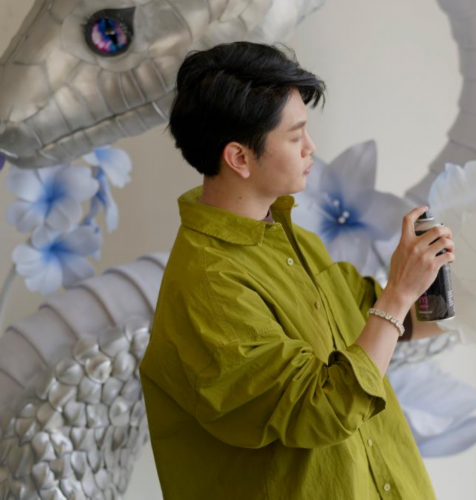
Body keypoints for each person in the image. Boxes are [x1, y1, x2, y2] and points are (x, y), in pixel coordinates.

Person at [139, 41, 456, 499]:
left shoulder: (293, 238)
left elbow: (385, 324)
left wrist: (435, 280)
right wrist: (399, 293)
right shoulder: (209, 284)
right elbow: (322, 409)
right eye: (295, 136)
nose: (311, 148)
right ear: (239, 158)